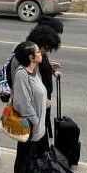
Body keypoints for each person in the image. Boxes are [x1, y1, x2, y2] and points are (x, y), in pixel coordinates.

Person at [10, 40, 48, 173]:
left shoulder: (33, 70)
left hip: (36, 123)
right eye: (38, 52)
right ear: (31, 57)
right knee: (23, 157)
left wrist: (44, 101)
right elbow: (22, 102)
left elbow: (36, 93)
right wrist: (34, 120)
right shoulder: (22, 74)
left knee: (28, 156)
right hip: (29, 123)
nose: (41, 54)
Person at [25, 24, 61, 157]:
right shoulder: (27, 57)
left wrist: (52, 70)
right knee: (28, 145)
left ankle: (40, 160)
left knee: (40, 133)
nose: (46, 53)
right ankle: (30, 170)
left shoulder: (39, 55)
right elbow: (30, 84)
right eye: (46, 49)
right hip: (32, 106)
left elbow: (42, 71)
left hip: (42, 101)